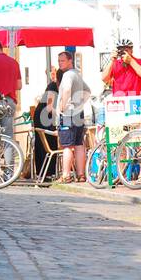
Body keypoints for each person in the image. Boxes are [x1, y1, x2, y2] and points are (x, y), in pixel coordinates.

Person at [56, 51, 91, 182]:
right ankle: (81, 175)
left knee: (67, 145)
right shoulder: (77, 74)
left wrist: (63, 105)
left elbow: (66, 90)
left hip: (68, 114)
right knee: (78, 144)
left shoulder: (67, 75)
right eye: (59, 61)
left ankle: (66, 175)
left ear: (70, 61)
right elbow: (87, 90)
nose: (60, 63)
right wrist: (80, 104)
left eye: (62, 60)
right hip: (78, 112)